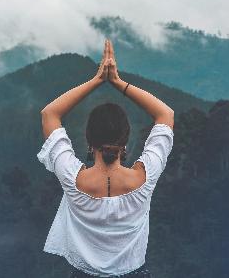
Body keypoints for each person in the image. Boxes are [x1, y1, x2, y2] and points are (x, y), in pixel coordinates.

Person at [37, 39, 175, 277]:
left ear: (89, 141)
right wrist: (118, 82)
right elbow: (165, 114)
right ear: (125, 141)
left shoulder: (73, 179)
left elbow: (50, 113)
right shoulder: (145, 177)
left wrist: (97, 80)